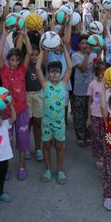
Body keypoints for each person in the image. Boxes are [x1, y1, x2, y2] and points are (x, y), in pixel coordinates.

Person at [35, 41, 72, 185]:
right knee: (46, 146)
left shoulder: (63, 84)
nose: (55, 74)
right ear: (49, 73)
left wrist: (64, 49)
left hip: (59, 125)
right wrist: (41, 49)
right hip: (46, 123)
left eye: (57, 71)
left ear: (60, 73)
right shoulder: (45, 84)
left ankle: (60, 170)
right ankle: (48, 169)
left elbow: (69, 67)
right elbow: (38, 68)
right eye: (52, 71)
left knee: (59, 147)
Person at [0, 28, 33, 180]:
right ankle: (5, 168)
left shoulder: (22, 69)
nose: (14, 62)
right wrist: (4, 36)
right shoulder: (3, 70)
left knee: (23, 140)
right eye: (11, 59)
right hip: (6, 112)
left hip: (22, 111)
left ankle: (22, 166)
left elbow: (29, 53)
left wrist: (25, 36)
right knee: (7, 141)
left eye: (17, 60)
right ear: (8, 60)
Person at [70, 35, 97, 146]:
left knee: (89, 113)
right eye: (83, 43)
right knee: (79, 114)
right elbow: (83, 68)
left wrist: (97, 59)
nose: (85, 45)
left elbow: (95, 70)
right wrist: (87, 55)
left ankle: (89, 134)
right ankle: (80, 135)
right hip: (79, 90)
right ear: (79, 45)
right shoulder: (75, 55)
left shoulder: (94, 54)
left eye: (87, 43)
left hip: (91, 90)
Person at [86, 62, 107, 169]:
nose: (100, 75)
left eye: (103, 73)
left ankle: (105, 156)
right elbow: (89, 101)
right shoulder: (92, 84)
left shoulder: (110, 84)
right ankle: (99, 156)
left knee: (105, 137)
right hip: (94, 115)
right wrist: (88, 118)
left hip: (106, 116)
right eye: (98, 73)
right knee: (96, 137)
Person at [25, 44, 44, 162]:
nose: (34, 57)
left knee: (37, 123)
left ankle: (38, 148)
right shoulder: (25, 66)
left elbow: (44, 51)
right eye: (31, 54)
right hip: (27, 95)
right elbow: (27, 53)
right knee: (27, 123)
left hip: (38, 94)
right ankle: (26, 147)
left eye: (36, 55)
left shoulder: (41, 65)